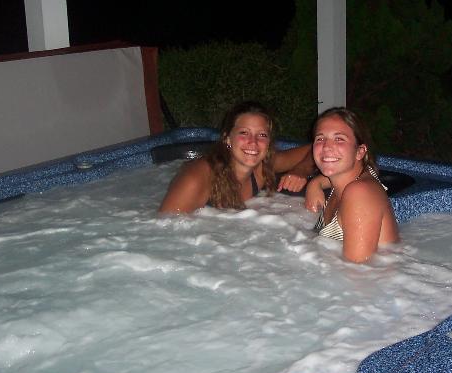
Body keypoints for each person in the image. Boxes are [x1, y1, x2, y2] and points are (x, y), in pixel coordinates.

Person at [159, 101, 315, 214]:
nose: (253, 142)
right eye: (244, 133)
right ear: (227, 138)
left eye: (262, 135)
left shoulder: (262, 167)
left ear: (269, 142)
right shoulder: (196, 179)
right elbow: (165, 229)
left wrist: (302, 169)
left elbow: (316, 148)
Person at [305, 107, 399, 262]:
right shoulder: (345, 179)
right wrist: (315, 184)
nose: (326, 146)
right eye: (320, 139)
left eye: (339, 139)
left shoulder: (360, 193)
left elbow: (357, 270)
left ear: (360, 152)